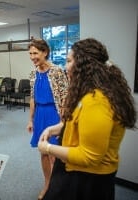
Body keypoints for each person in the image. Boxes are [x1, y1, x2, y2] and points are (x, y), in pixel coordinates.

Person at [38, 38, 137, 200]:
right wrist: (56, 128)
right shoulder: (90, 92)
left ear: (84, 65)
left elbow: (88, 156)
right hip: (81, 172)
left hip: (88, 178)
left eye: (69, 61)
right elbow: (78, 123)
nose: (65, 66)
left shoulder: (97, 100)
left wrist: (47, 148)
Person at [26, 39, 69, 200]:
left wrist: (63, 121)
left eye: (35, 53)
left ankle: (59, 188)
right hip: (40, 115)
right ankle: (47, 184)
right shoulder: (33, 73)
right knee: (43, 153)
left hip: (54, 114)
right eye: (30, 53)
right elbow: (32, 98)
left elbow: (65, 98)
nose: (32, 57)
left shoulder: (57, 71)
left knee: (55, 154)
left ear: (45, 52)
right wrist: (30, 120)